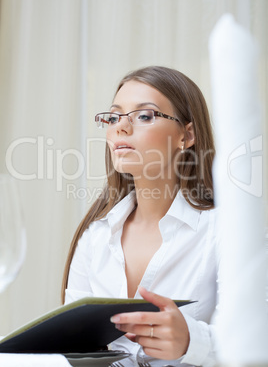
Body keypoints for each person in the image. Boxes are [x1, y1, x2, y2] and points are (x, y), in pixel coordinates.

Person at [62, 66, 218, 366]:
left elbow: (256, 343)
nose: (120, 127)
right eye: (113, 116)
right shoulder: (95, 236)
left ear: (187, 135)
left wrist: (191, 341)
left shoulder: (225, 232)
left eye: (144, 115)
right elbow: (71, 346)